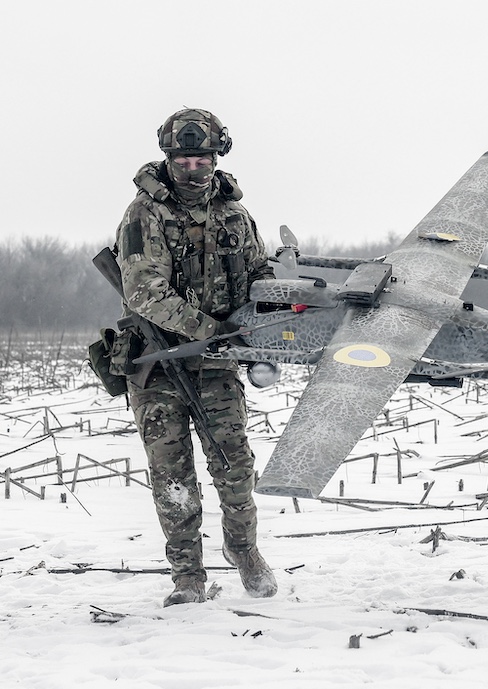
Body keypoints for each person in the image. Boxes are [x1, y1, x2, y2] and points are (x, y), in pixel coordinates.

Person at [115, 108, 278, 606]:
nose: (193, 169)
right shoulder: (144, 214)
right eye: (183, 159)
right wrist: (211, 330)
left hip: (218, 365)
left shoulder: (234, 214)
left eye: (201, 158)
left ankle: (244, 550)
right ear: (169, 159)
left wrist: (268, 303)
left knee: (235, 467)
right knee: (172, 475)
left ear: (216, 156)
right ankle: (187, 576)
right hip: (158, 364)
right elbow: (145, 292)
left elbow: (257, 272)